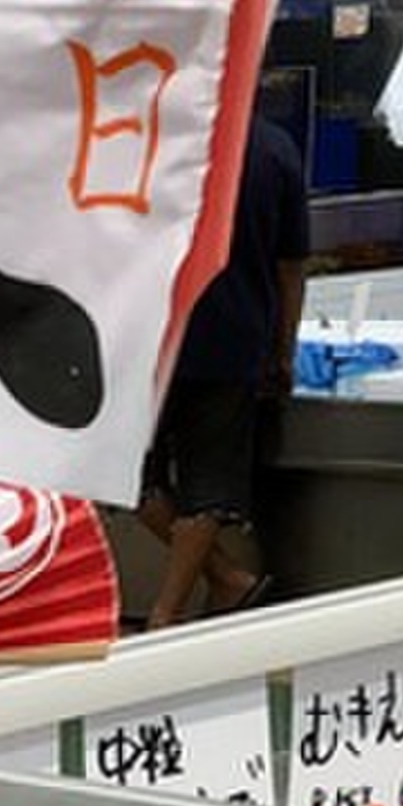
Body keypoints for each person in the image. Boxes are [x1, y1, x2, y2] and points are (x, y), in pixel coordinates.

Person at [133, 102, 310, 630]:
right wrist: (284, 350)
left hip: (152, 337)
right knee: (209, 482)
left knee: (128, 475)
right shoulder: (274, 149)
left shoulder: (159, 143)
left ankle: (198, 596)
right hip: (234, 337)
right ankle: (198, 594)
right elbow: (291, 266)